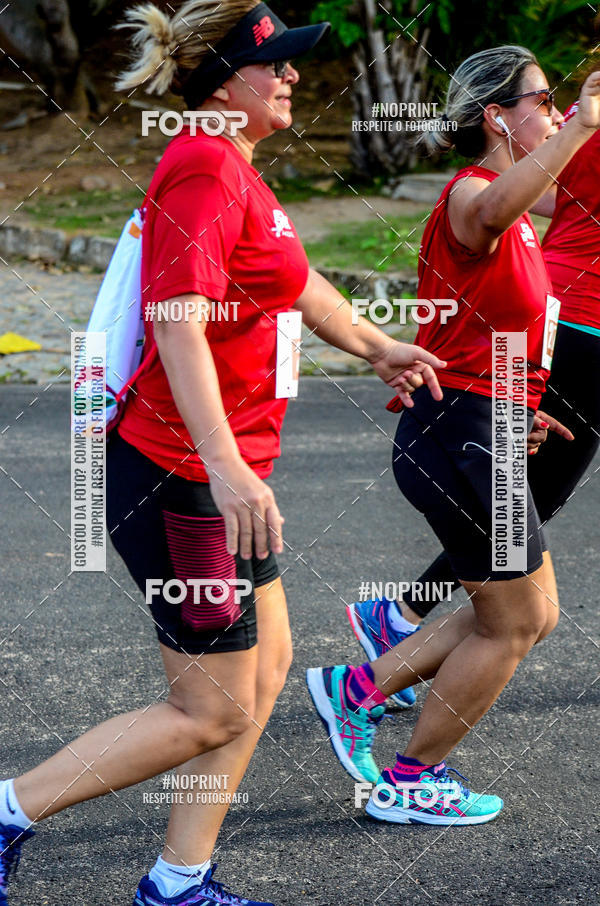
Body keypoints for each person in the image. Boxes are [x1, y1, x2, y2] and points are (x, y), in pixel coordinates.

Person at [0, 2, 446, 904]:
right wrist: (225, 466)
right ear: (224, 79)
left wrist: (376, 344)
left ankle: (179, 879)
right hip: (184, 480)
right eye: (274, 64)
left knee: (267, 671)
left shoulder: (237, 170)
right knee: (212, 708)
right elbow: (177, 324)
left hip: (222, 475)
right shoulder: (202, 166)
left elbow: (296, 281)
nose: (290, 77)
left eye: (290, 64)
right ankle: (10, 809)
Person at [306, 45, 600, 826]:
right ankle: (409, 775)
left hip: (479, 429)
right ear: (499, 116)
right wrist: (582, 130)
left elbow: (484, 330)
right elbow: (498, 208)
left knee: (516, 613)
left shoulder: (516, 216)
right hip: (463, 438)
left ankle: (358, 691)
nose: (560, 111)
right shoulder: (473, 196)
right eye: (545, 100)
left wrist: (519, 403)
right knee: (520, 620)